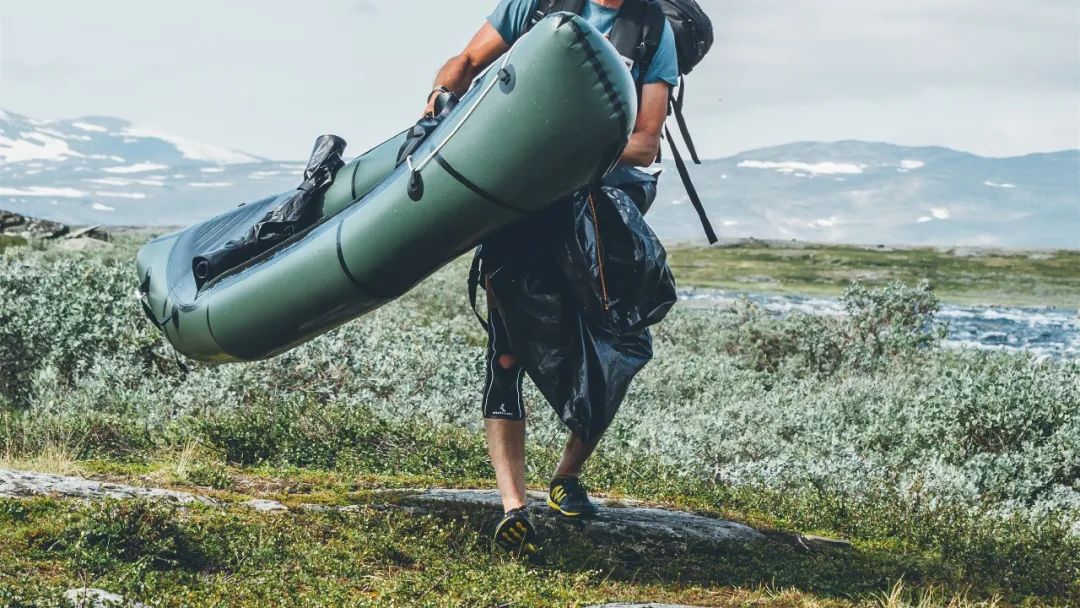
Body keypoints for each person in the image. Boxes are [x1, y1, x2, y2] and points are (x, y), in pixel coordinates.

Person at [423, 0, 679, 557]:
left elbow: (645, 140)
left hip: (600, 200)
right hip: (525, 192)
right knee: (508, 351)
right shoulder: (536, 6)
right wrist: (438, 102)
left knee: (621, 343)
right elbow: (467, 59)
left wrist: (568, 151)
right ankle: (515, 508)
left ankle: (565, 477)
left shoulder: (652, 29)